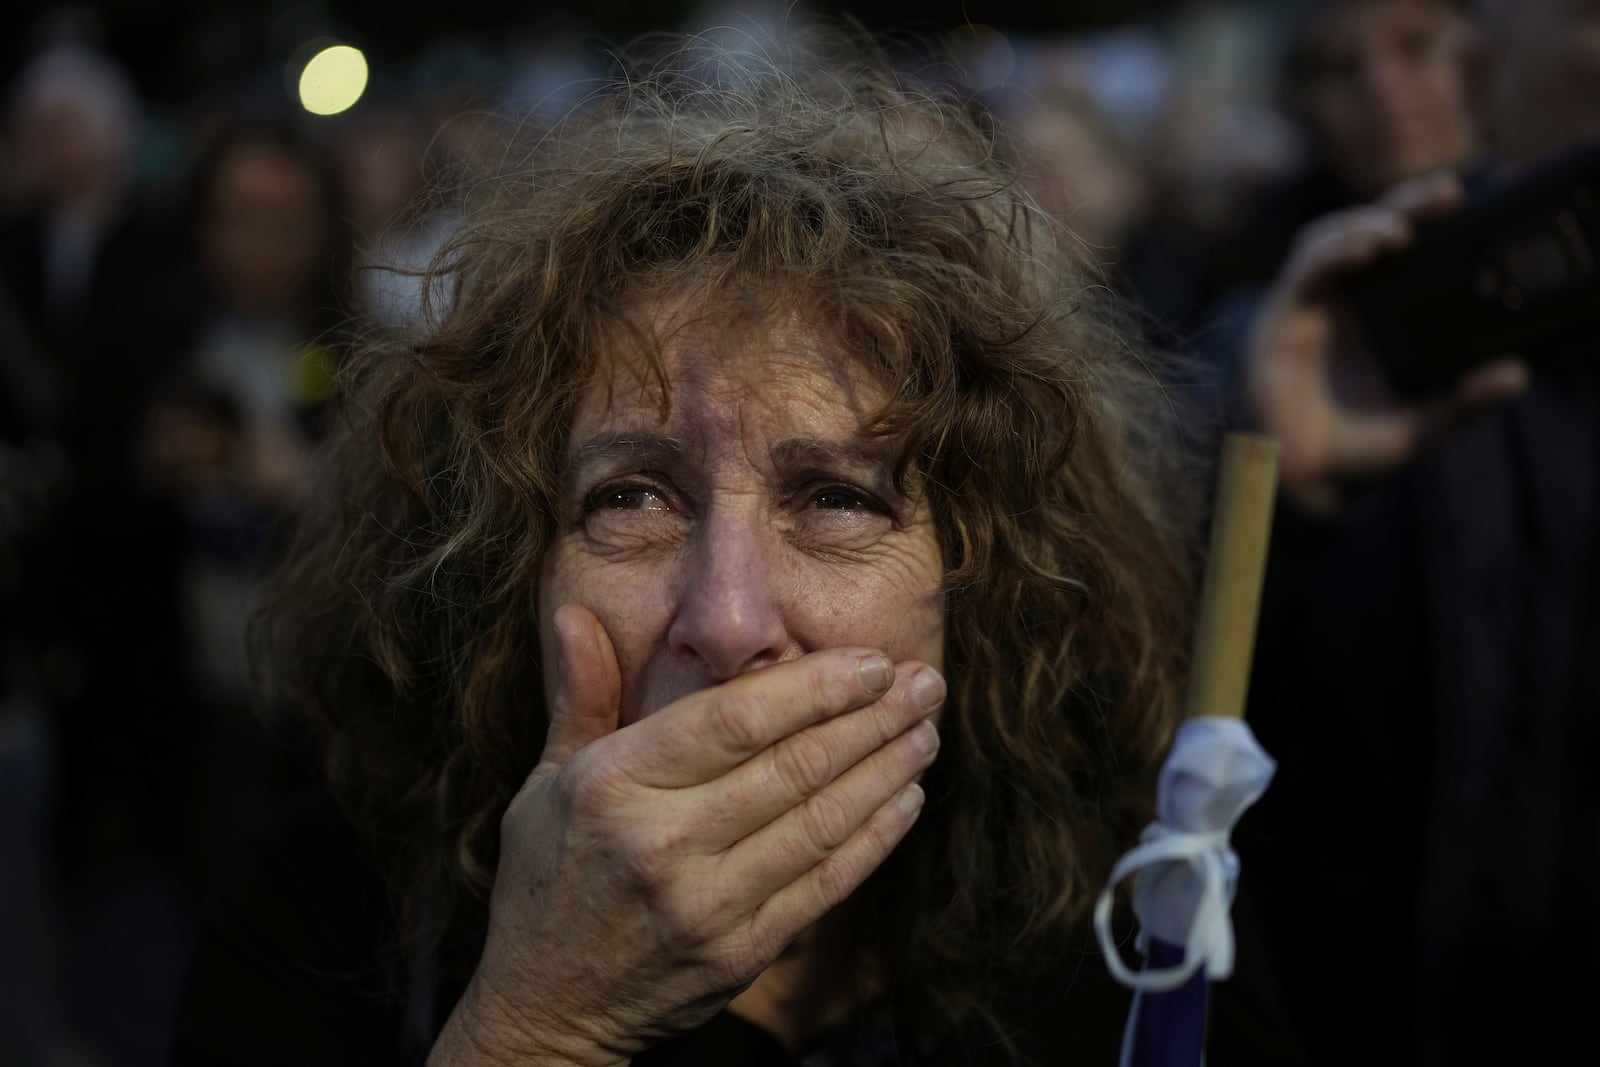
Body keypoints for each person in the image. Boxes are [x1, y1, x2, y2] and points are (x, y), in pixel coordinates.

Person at [172, 29, 1297, 1066]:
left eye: (837, 501)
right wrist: (538, 1024)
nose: (726, 619)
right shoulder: (321, 911)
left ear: (980, 574)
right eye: (630, 498)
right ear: (500, 560)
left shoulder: (1125, 931)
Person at [1233, 0, 1600, 1062]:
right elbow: (1181, 702)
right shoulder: (1281, 329)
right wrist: (1275, 491)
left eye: (1413, 48)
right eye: (1340, 67)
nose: (1388, 94)